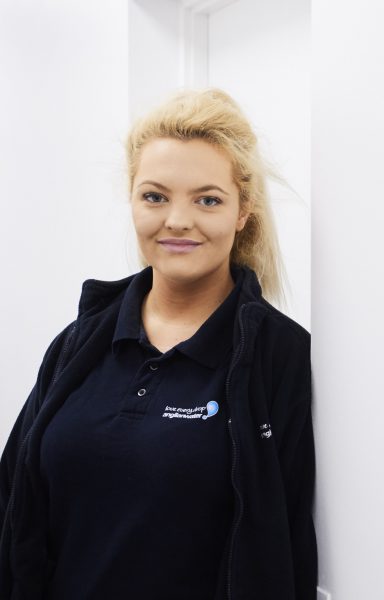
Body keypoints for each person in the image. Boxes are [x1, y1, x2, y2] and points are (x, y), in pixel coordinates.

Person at [0, 88, 316, 599]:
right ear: (132, 198)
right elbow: (13, 503)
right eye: (155, 196)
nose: (177, 220)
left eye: (207, 199)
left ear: (243, 211)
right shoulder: (78, 343)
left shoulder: (280, 357)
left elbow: (288, 546)